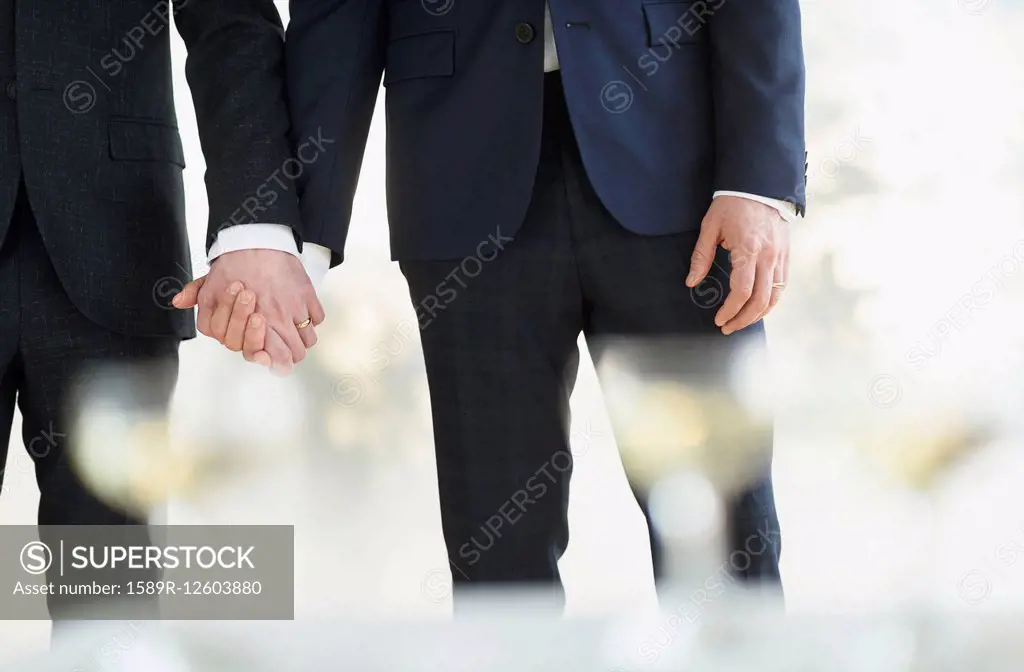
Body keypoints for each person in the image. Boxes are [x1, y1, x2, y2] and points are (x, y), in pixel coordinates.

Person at [194, 0, 807, 605]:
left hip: (682, 177)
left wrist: (759, 179)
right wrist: (291, 243)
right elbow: (338, 19)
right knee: (497, 560)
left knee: (724, 536)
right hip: (460, 186)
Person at [0, 0, 322, 620]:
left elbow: (229, 22)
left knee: (110, 601)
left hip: (116, 239)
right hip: (120, 236)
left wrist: (252, 224)